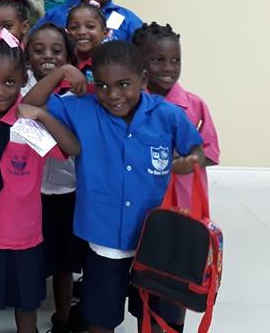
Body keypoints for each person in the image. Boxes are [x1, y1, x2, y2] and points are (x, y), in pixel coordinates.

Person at [45, 41, 204, 333]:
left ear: (143, 79)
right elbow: (30, 105)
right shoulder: (81, 108)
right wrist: (61, 72)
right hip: (104, 237)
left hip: (154, 238)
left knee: (155, 314)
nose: (113, 95)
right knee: (100, 317)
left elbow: (196, 149)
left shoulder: (167, 115)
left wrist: (190, 160)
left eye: (123, 85)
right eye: (102, 86)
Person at [0, 38, 81, 333]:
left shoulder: (26, 122)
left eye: (9, 82)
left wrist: (42, 114)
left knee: (26, 307)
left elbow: (72, 148)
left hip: (22, 236)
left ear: (23, 80)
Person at [133, 22, 220, 333]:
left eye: (175, 60)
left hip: (182, 211)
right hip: (142, 208)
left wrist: (188, 161)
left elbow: (210, 151)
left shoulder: (194, 105)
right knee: (145, 278)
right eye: (158, 60)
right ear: (139, 63)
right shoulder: (130, 104)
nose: (169, 68)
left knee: (175, 280)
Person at [22, 24, 88, 333]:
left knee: (64, 263)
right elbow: (28, 106)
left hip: (67, 188)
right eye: (38, 50)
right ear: (27, 56)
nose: (47, 56)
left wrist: (66, 76)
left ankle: (62, 316)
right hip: (30, 192)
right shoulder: (20, 85)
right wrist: (60, 71)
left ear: (70, 55)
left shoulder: (77, 93)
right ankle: (28, 318)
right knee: (32, 260)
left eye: (57, 51)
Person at [66, 2, 108, 87]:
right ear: (67, 33)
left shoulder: (111, 63)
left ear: (104, 32)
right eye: (74, 27)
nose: (81, 32)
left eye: (90, 27)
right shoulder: (62, 61)